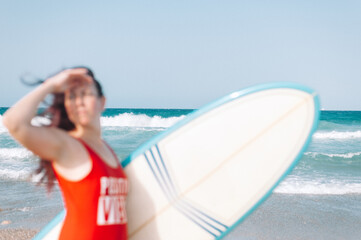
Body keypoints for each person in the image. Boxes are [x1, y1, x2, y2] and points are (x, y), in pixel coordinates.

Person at [3, 67, 128, 240]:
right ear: (67, 106)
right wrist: (52, 85)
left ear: (102, 102)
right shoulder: (68, 145)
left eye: (86, 94)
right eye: (72, 97)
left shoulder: (106, 149)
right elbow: (13, 123)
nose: (79, 102)